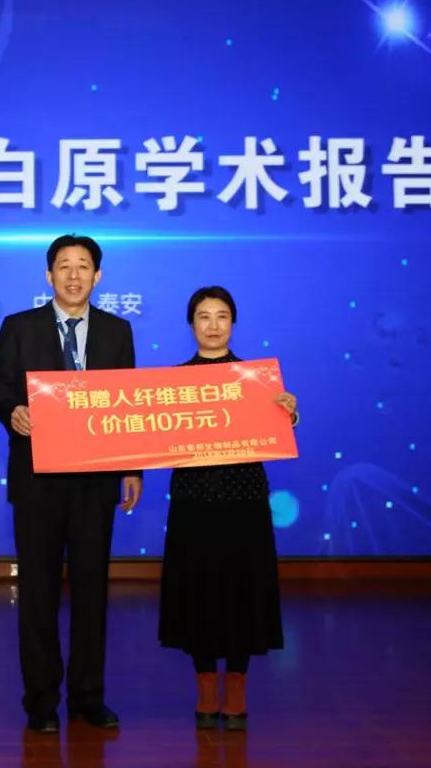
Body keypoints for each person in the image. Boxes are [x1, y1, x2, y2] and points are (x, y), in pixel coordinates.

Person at [0, 234, 143, 734]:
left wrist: (132, 467)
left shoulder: (117, 331)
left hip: (95, 482)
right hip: (37, 481)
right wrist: (14, 410)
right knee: (38, 593)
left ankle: (88, 698)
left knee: (92, 592)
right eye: (64, 266)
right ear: (48, 275)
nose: (74, 275)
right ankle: (41, 703)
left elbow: (128, 403)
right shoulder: (19, 327)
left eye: (83, 266)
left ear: (98, 276)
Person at [158, 285, 298, 731]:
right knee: (197, 593)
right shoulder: (173, 382)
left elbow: (275, 431)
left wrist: (288, 413)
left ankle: (236, 689)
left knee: (243, 593)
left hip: (245, 501)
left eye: (221, 316)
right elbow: (154, 434)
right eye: (204, 316)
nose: (213, 325)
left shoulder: (256, 380)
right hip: (193, 502)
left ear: (233, 323)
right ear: (191, 324)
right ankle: (204, 688)